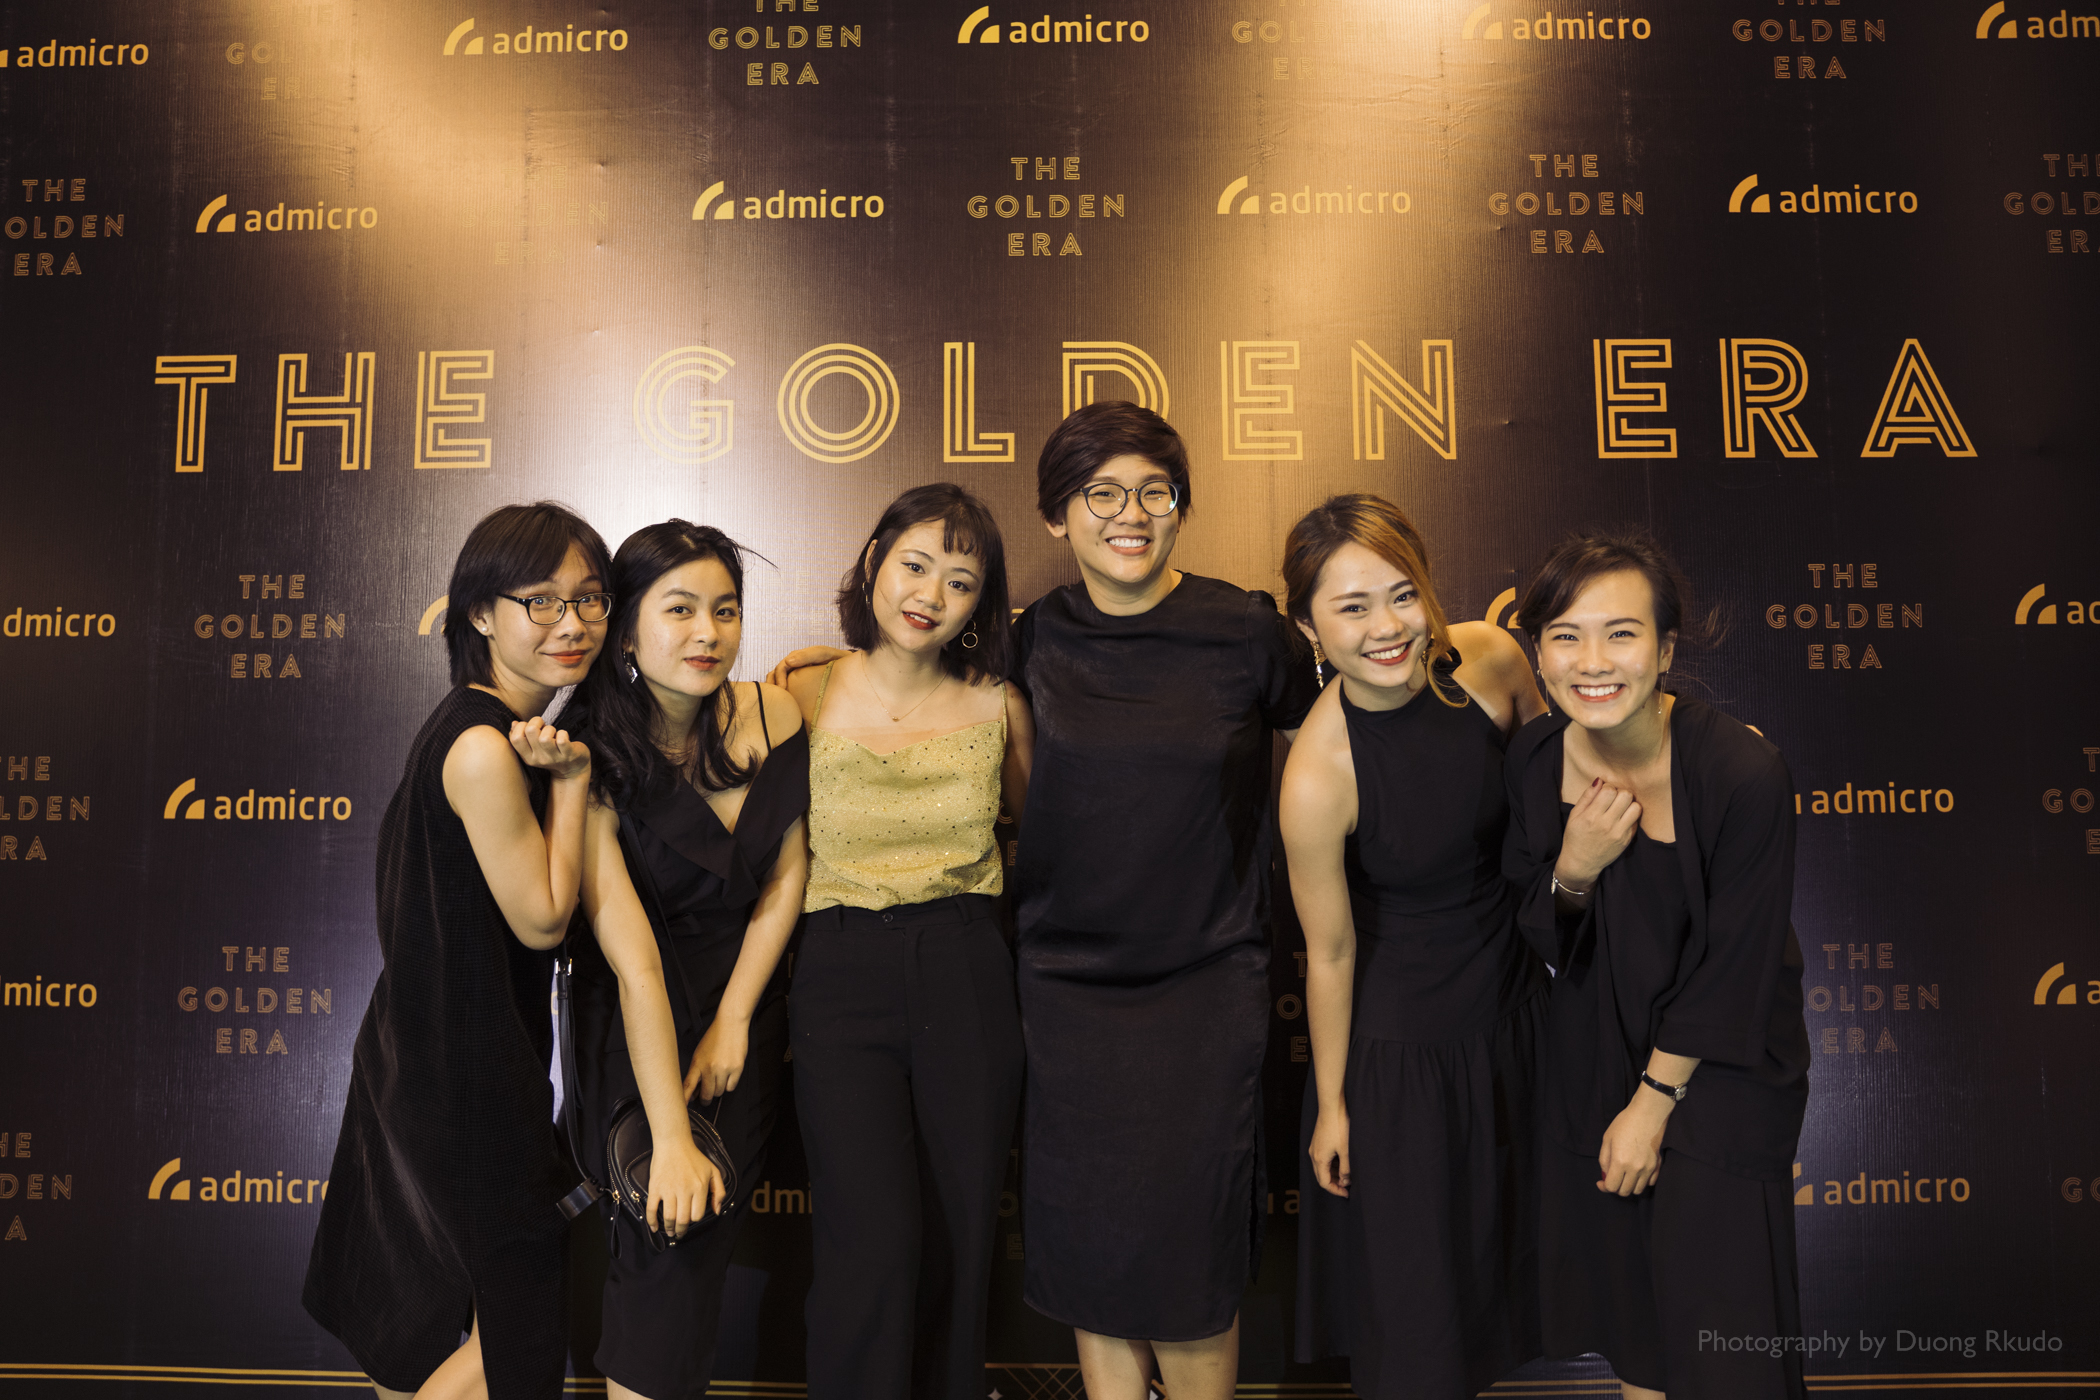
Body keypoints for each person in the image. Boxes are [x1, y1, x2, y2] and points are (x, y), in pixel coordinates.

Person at [1011, 402, 1319, 1400]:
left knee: (1191, 1254)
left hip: (1206, 982)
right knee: (1091, 1246)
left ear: (1181, 505)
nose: (1130, 514)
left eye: (1154, 491)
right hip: (1067, 988)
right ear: (1057, 515)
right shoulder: (1033, 638)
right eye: (1101, 493)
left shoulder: (1246, 629)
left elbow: (1336, 740)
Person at [305, 502, 613, 1400]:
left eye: (590, 599)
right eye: (541, 601)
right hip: (466, 1083)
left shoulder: (471, 727)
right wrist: (574, 782)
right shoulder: (483, 747)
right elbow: (544, 919)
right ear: (480, 613)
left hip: (426, 1063)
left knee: (444, 1327)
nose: (571, 623)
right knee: (513, 1337)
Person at [1503, 531, 1810, 1400]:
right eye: (1565, 636)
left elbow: (1738, 966)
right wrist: (1575, 866)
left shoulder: (1742, 770)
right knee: (1640, 1333)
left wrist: (1653, 1102)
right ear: (1538, 653)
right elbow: (1541, 934)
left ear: (1667, 650)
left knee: (1721, 1340)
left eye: (1621, 633)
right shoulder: (1534, 758)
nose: (1592, 661)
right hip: (1597, 1061)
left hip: (1720, 1069)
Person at [1278, 495, 1548, 1400]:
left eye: (1403, 595)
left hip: (1519, 1015)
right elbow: (1329, 953)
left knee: (1524, 1293)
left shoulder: (1493, 661)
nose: (1388, 628)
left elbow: (1561, 784)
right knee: (1420, 1332)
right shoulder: (1319, 774)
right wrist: (1332, 1105)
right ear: (1308, 626)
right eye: (1352, 607)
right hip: (1406, 1062)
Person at [781, 484, 1033, 1400]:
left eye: (960, 582)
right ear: (874, 562)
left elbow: (1034, 841)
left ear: (980, 604)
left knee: (961, 1234)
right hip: (838, 968)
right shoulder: (801, 688)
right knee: (870, 1236)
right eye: (915, 565)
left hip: (965, 963)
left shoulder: (1000, 704)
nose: (930, 594)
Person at [562, 521, 808, 1400]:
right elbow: (633, 962)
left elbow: (788, 876)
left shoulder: (775, 713)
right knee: (665, 1244)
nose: (708, 632)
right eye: (679, 610)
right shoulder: (588, 752)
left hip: (745, 1016)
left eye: (725, 610)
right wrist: (669, 1136)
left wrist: (737, 1019)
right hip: (636, 1031)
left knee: (693, 1272)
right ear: (626, 629)